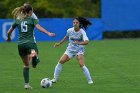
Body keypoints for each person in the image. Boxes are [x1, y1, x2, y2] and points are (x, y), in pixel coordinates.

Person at [6, 4, 55, 89]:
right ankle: (34, 55)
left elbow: (8, 32)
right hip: (30, 43)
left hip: (20, 45)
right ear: (30, 12)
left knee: (26, 65)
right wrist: (48, 33)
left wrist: (9, 38)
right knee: (34, 53)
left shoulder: (18, 20)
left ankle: (27, 84)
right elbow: (39, 27)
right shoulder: (32, 19)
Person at [51, 17, 93, 84]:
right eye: (74, 22)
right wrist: (59, 43)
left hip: (79, 50)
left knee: (81, 64)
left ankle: (89, 80)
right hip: (70, 50)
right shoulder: (69, 30)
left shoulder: (82, 32)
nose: (75, 24)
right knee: (61, 61)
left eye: (77, 22)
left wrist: (79, 43)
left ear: (79, 24)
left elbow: (87, 41)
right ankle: (54, 79)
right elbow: (66, 37)